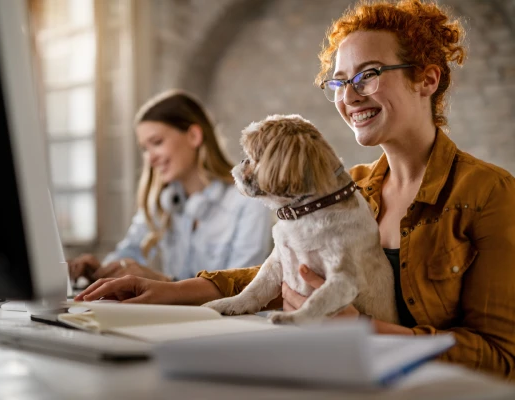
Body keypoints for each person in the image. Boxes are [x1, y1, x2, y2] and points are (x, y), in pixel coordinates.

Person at [75, 0, 515, 379]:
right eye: (340, 82)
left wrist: (359, 326)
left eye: (370, 74)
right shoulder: (356, 187)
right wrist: (168, 293)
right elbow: (277, 268)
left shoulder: (487, 193)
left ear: (428, 80)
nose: (350, 96)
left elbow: (501, 358)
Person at [68, 90, 272, 283]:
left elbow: (241, 288)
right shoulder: (164, 201)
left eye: (156, 142)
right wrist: (99, 270)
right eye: (144, 149)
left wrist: (163, 284)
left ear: (193, 136)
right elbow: (128, 254)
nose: (150, 158)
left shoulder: (249, 203)